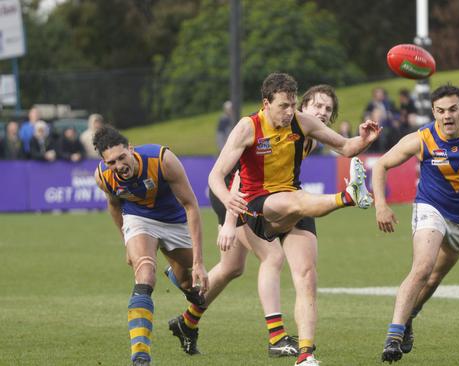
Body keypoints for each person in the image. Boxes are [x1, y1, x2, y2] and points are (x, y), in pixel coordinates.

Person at [210, 73, 380, 366]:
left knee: (306, 275)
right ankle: (348, 197)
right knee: (295, 207)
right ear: (266, 103)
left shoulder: (303, 123)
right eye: (283, 106)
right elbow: (216, 175)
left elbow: (346, 147)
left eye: (292, 105)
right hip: (257, 205)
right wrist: (228, 209)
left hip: (291, 198)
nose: (289, 112)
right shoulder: (247, 127)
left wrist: (365, 138)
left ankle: (305, 354)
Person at [166, 84, 341, 359]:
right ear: (301, 106)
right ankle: (277, 337)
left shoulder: (308, 135)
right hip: (231, 192)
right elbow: (239, 177)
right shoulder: (277, 126)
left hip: (248, 195)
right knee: (272, 257)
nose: (322, 112)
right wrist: (229, 221)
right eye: (317, 106)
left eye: (328, 109)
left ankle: (187, 322)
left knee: (231, 267)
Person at [372, 83, 459, 363]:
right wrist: (381, 204)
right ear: (433, 112)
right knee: (423, 268)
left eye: (452, 109)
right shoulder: (422, 138)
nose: (447, 116)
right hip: (430, 208)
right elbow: (381, 165)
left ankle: (410, 317)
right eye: (440, 111)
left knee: (435, 278)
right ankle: (393, 335)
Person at [92, 126, 209, 366]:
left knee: (190, 284)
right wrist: (126, 239)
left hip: (175, 221)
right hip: (139, 219)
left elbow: (191, 205)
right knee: (144, 274)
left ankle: (177, 277)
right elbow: (114, 205)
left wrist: (198, 262)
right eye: (111, 162)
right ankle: (140, 356)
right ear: (105, 163)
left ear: (131, 150)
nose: (119, 165)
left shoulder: (162, 159)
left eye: (122, 157)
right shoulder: (103, 176)